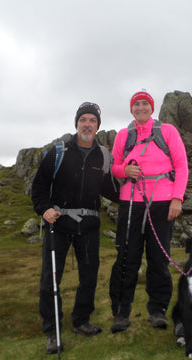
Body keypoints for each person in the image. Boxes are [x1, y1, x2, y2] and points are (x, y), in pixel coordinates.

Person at [32, 102, 119, 355]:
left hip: (90, 226)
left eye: (93, 120)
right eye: (84, 120)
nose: (88, 124)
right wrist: (44, 208)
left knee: (89, 276)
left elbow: (109, 188)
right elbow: (38, 187)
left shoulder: (102, 155)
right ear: (77, 124)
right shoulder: (58, 152)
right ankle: (52, 329)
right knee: (51, 280)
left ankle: (82, 321)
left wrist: (133, 192)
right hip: (57, 224)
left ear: (97, 127)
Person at [109, 89, 189, 333]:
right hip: (130, 202)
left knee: (158, 258)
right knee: (126, 257)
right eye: (136, 104)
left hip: (163, 202)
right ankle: (121, 313)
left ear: (151, 108)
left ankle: (158, 310)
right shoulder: (124, 135)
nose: (141, 108)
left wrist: (177, 198)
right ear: (131, 109)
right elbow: (114, 166)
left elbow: (181, 164)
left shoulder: (167, 131)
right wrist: (125, 172)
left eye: (145, 104)